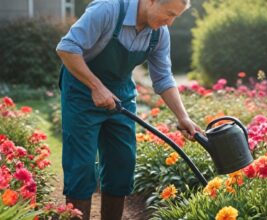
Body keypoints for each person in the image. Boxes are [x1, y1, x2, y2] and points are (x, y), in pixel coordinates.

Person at [56, 0, 200, 219]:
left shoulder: (158, 33)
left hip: (121, 93)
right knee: (81, 166)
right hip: (82, 91)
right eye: (169, 14)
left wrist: (183, 116)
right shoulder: (107, 10)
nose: (169, 23)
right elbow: (67, 48)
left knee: (122, 163)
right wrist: (96, 87)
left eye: (175, 17)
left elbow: (162, 78)